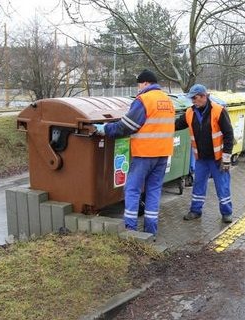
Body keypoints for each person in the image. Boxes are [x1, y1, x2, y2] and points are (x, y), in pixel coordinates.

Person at [94, 69, 175, 235]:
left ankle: (130, 229)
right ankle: (151, 230)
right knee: (153, 190)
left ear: (145, 83)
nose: (138, 87)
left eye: (139, 84)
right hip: (163, 154)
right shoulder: (168, 100)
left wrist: (105, 129)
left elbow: (126, 126)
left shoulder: (144, 100)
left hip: (144, 154)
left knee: (132, 189)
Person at [175, 84, 235, 223]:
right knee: (198, 185)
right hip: (201, 158)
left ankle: (227, 213)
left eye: (194, 98)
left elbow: (228, 134)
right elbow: (177, 124)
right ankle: (195, 211)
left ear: (203, 96)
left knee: (222, 186)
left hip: (218, 159)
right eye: (191, 99)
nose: (193, 101)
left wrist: (226, 157)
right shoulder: (190, 112)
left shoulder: (219, 111)